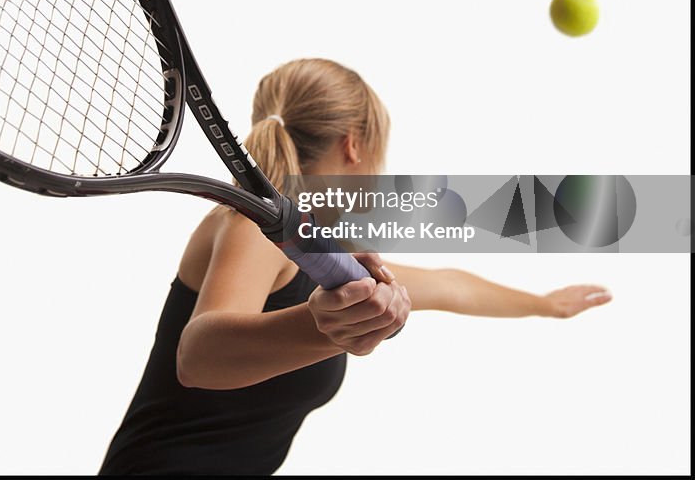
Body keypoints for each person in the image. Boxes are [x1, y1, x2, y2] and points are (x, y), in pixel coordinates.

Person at [98, 58, 611, 476]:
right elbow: (199, 357)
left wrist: (547, 306)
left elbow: (451, 287)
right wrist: (326, 327)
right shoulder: (250, 227)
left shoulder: (321, 247)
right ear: (355, 145)